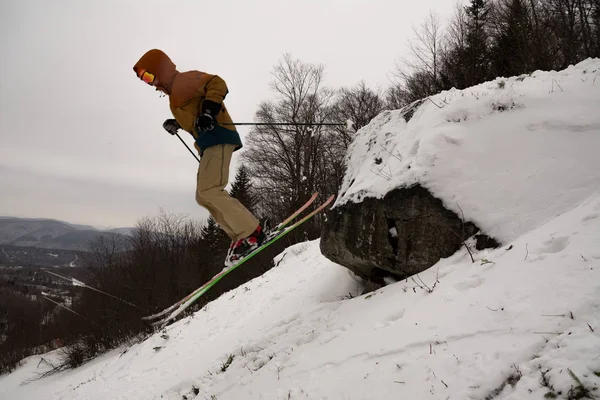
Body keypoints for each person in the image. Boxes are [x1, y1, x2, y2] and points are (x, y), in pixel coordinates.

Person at [133, 49, 266, 267]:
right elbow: (195, 118)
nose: (149, 83)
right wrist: (178, 123)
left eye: (149, 75)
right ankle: (240, 236)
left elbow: (217, 83)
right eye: (144, 80)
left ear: (160, 69)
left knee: (210, 190)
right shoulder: (175, 95)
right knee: (202, 196)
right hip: (208, 144)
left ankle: (252, 232)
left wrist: (209, 111)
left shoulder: (184, 80)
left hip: (218, 137)